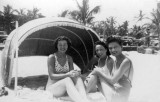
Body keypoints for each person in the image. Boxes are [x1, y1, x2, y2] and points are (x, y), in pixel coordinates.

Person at [45, 36, 90, 102]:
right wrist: (67, 74)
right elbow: (52, 76)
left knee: (77, 78)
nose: (62, 47)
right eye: (60, 45)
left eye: (64, 45)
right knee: (67, 79)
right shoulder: (52, 57)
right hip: (53, 88)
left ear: (67, 46)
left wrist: (76, 73)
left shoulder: (69, 58)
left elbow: (72, 74)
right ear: (56, 46)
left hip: (64, 88)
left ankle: (84, 99)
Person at [90, 36, 134, 102]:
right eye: (110, 48)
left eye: (115, 47)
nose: (113, 50)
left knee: (97, 73)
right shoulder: (116, 60)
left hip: (120, 96)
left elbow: (113, 81)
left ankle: (81, 97)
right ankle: (81, 96)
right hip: (114, 91)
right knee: (97, 74)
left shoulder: (126, 61)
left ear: (121, 47)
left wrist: (99, 72)